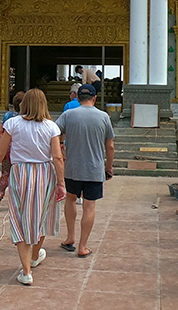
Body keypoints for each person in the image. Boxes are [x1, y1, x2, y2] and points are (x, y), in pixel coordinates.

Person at [0, 89, 65, 286]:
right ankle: (34, 254)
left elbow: (1, 151)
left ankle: (26, 271)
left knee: (20, 218)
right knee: (41, 214)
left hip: (20, 172)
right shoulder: (51, 126)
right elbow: (57, 157)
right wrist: (61, 182)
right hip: (45, 173)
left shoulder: (12, 123)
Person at [55, 84, 115, 258]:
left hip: (72, 167)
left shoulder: (68, 115)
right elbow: (110, 145)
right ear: (95, 98)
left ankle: (70, 238)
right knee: (89, 206)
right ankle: (83, 246)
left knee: (71, 200)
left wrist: (60, 150)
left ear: (77, 98)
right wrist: (109, 167)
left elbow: (53, 134)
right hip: (94, 169)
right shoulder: (103, 117)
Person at [0, 91, 25, 209]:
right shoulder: (26, 118)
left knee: (6, 173)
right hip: (20, 151)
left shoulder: (8, 116)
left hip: (6, 149)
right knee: (21, 175)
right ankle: (18, 199)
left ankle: (0, 193)